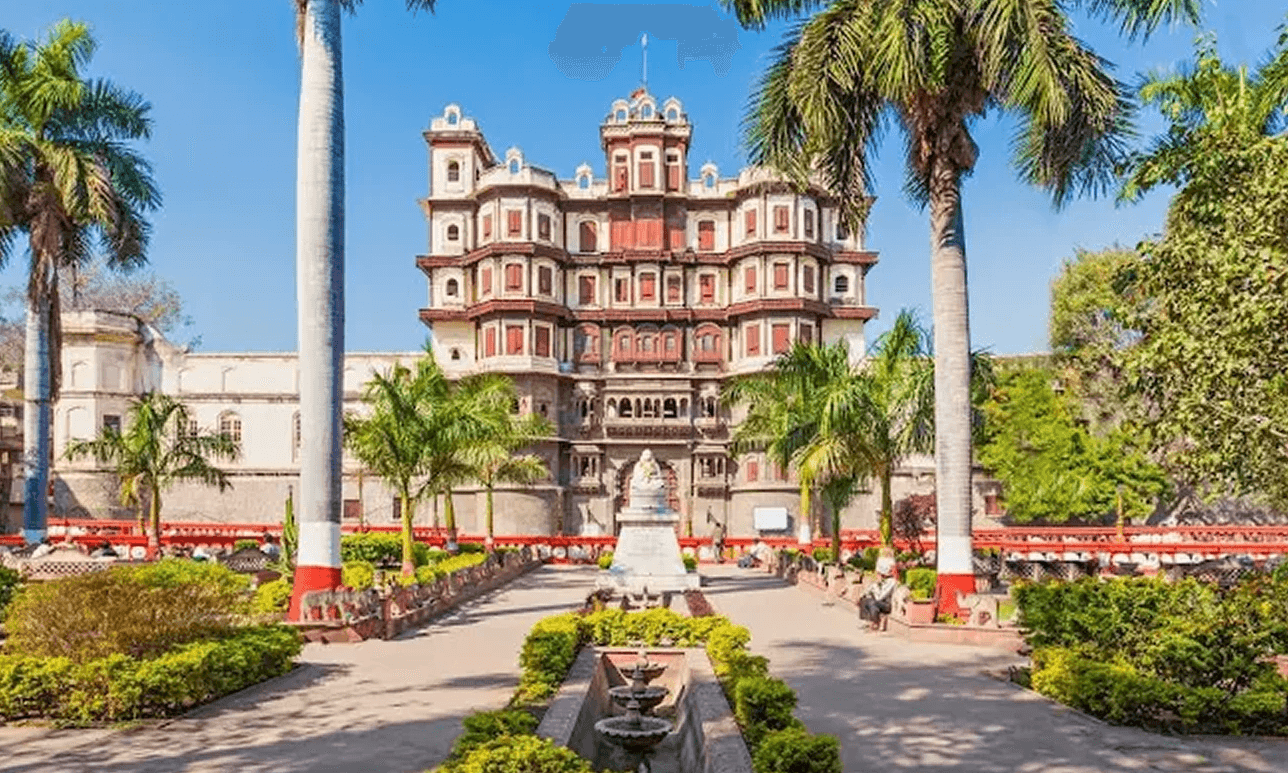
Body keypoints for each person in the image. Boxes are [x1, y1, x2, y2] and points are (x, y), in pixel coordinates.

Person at [859, 556, 899, 631]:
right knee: (865, 600)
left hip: (886, 604)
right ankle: (868, 620)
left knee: (872, 602)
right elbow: (868, 590)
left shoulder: (891, 582)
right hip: (878, 602)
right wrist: (862, 595)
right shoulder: (879, 581)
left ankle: (875, 622)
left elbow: (880, 597)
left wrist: (877, 585)